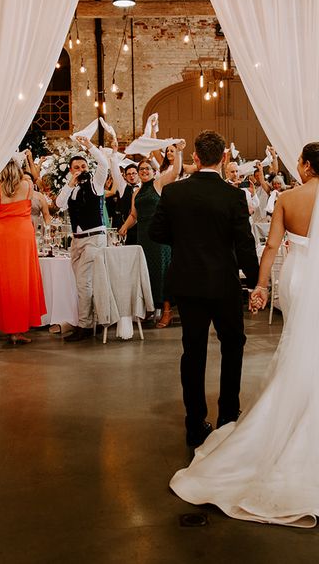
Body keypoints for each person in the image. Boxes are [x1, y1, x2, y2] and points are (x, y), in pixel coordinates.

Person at [168, 142, 319, 528]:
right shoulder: (234, 196)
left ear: (304, 164)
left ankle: (201, 419)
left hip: (299, 278)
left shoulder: (288, 197)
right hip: (230, 283)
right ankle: (234, 412)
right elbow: (245, 242)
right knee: (286, 345)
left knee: (297, 341)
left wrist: (261, 286)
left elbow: (269, 244)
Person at [149, 130, 259, 447]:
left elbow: (157, 232)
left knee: (193, 353)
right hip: (223, 283)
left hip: (188, 282)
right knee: (233, 346)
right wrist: (255, 284)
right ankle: (227, 416)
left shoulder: (173, 193)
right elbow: (245, 244)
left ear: (195, 158)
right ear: (224, 158)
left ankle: (195, 424)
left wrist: (185, 244)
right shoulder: (234, 196)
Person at [119, 141, 186, 328]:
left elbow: (175, 171)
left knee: (162, 271)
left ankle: (167, 311)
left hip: (159, 235)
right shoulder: (137, 192)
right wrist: (124, 227)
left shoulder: (159, 183)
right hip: (143, 236)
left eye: (147, 169)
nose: (144, 172)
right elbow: (134, 215)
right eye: (141, 170)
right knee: (146, 272)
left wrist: (179, 152)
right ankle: (150, 308)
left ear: (153, 171)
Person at [0, 159, 46, 345]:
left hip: (2, 235)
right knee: (23, 279)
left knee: (4, 280)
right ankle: (18, 329)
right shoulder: (27, 185)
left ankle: (8, 325)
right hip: (23, 234)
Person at [55, 136, 108, 342]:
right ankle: (90, 320)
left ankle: (85, 325)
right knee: (82, 283)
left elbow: (103, 163)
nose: (80, 169)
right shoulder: (71, 188)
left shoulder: (96, 184)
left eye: (83, 166)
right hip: (77, 240)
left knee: (84, 282)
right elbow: (59, 204)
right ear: (70, 170)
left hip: (94, 238)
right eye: (76, 167)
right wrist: (70, 183)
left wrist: (90, 147)